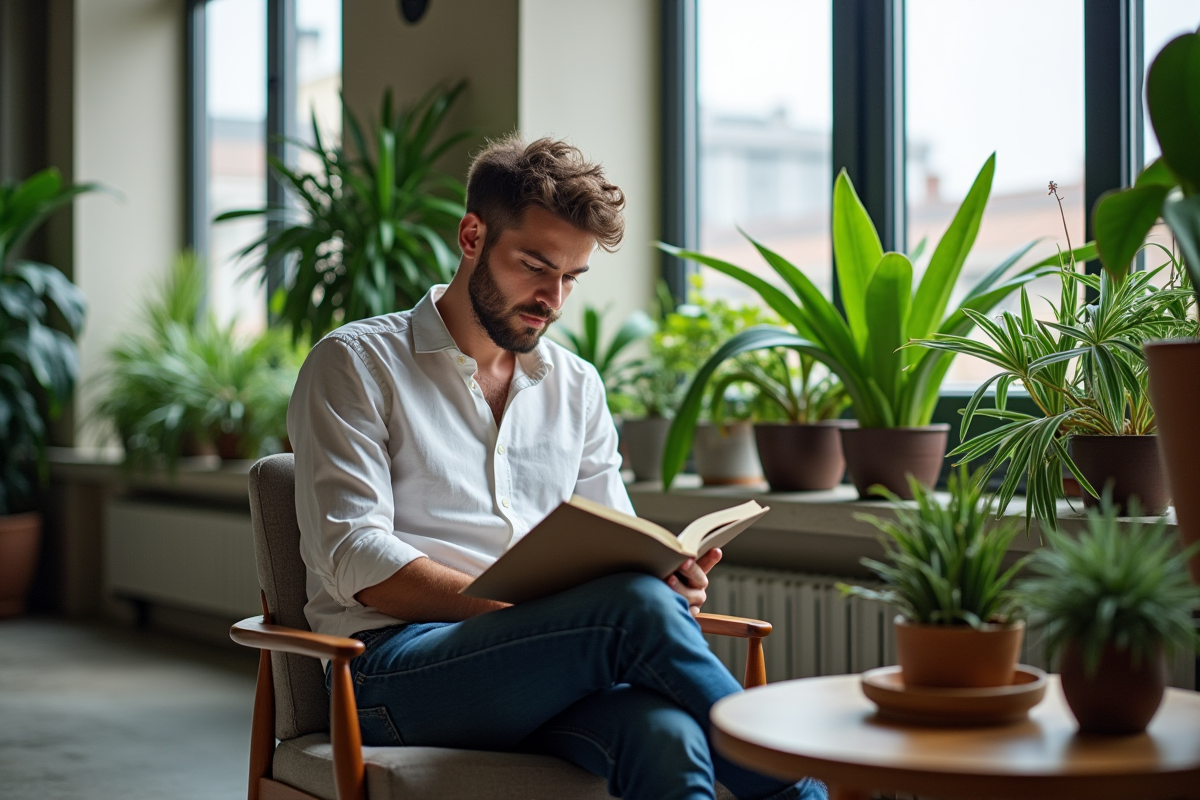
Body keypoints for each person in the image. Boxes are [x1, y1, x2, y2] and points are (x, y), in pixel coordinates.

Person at [288, 135, 826, 800]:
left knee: (669, 736)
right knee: (629, 610)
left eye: (571, 277)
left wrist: (661, 578)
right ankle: (805, 793)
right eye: (535, 266)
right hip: (390, 675)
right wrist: (563, 608)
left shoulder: (576, 386)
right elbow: (356, 560)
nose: (553, 297)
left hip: (546, 670)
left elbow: (612, 542)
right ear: (472, 235)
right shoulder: (356, 365)